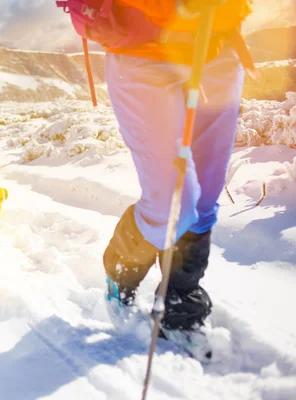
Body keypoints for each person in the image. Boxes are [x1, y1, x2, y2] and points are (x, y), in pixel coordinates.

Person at [102, 0, 254, 332]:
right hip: (142, 48)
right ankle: (121, 269)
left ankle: (180, 302)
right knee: (172, 204)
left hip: (220, 47)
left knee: (202, 204)